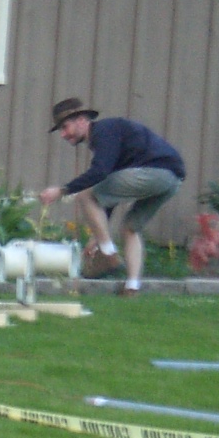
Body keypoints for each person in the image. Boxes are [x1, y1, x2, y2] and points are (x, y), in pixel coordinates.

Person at [38, 98, 186, 296]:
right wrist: (97, 236)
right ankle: (132, 287)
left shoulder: (104, 132)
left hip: (155, 171)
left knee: (84, 195)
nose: (63, 134)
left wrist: (62, 190)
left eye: (65, 127)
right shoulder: (112, 136)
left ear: (82, 120)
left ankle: (108, 255)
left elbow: (99, 173)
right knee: (130, 228)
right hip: (173, 179)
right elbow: (108, 193)